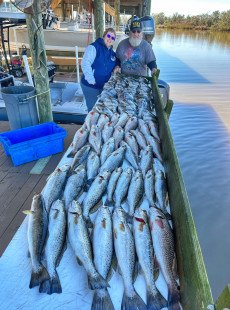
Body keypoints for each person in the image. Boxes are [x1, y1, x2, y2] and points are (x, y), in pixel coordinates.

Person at [81, 28, 118, 111]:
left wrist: (117, 67)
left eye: (113, 38)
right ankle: (90, 124)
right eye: (108, 36)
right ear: (104, 36)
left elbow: (117, 63)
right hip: (90, 86)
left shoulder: (112, 53)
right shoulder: (94, 47)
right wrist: (91, 80)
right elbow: (85, 64)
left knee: (101, 109)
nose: (110, 39)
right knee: (93, 110)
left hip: (104, 87)